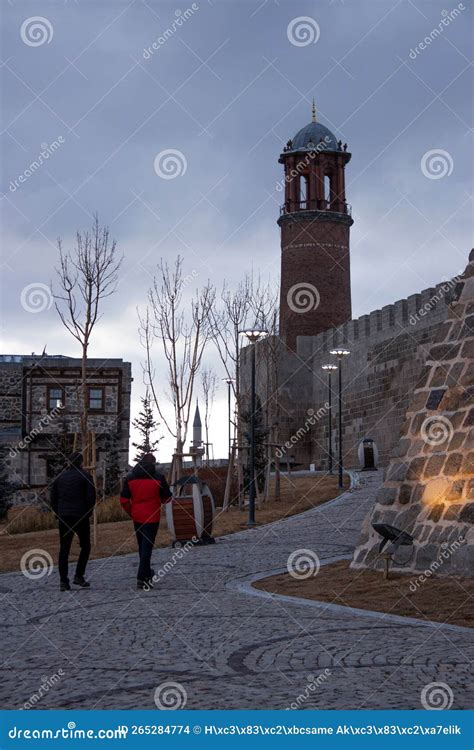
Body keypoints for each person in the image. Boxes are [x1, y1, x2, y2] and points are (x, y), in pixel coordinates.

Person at [120, 453, 172, 589]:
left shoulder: (130, 477)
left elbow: (124, 500)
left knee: (142, 546)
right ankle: (142, 577)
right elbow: (167, 498)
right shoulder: (159, 478)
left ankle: (147, 573)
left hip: (137, 516)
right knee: (147, 547)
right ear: (153, 464)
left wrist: (131, 512)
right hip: (152, 516)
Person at [50, 452, 96, 592]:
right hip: (80, 516)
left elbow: (53, 498)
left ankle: (64, 581)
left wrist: (58, 513)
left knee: (64, 549)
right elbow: (91, 497)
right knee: (85, 546)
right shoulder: (86, 476)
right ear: (81, 463)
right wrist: (88, 513)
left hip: (64, 516)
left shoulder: (60, 478)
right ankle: (79, 575)